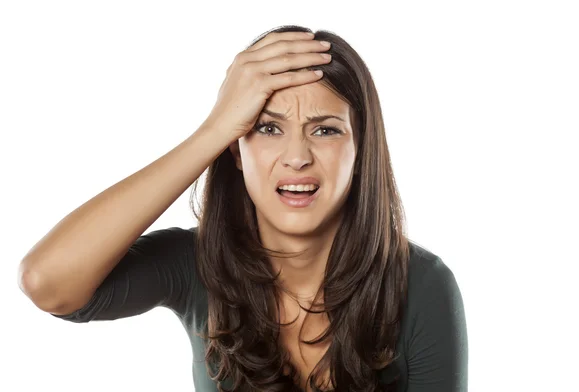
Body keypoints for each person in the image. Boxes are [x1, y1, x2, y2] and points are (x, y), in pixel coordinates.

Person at [17, 25, 468, 392]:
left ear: (361, 149)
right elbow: (47, 282)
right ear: (236, 148)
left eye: (325, 131)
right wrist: (213, 130)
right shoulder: (195, 264)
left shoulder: (422, 285)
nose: (296, 157)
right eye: (268, 128)